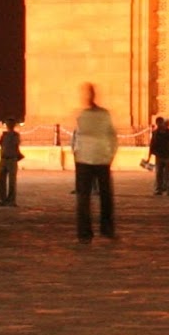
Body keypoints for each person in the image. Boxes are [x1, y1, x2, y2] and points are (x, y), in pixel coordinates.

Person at [73, 83, 118, 243]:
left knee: (84, 198)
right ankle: (107, 229)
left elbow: (77, 139)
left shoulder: (83, 116)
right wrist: (110, 154)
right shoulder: (102, 115)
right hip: (101, 159)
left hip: (86, 160)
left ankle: (84, 233)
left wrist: (77, 155)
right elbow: (112, 136)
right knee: (105, 196)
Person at [0, 118, 22, 206]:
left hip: (11, 159)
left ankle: (11, 200)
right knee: (1, 181)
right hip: (4, 159)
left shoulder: (15, 135)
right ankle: (2, 200)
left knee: (12, 181)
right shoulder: (4, 135)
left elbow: (15, 146)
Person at [149, 117, 169, 196]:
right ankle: (158, 189)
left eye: (161, 122)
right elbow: (152, 144)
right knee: (159, 174)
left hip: (167, 155)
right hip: (159, 155)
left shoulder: (168, 131)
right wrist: (149, 156)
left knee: (168, 174)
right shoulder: (155, 133)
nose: (160, 124)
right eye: (158, 123)